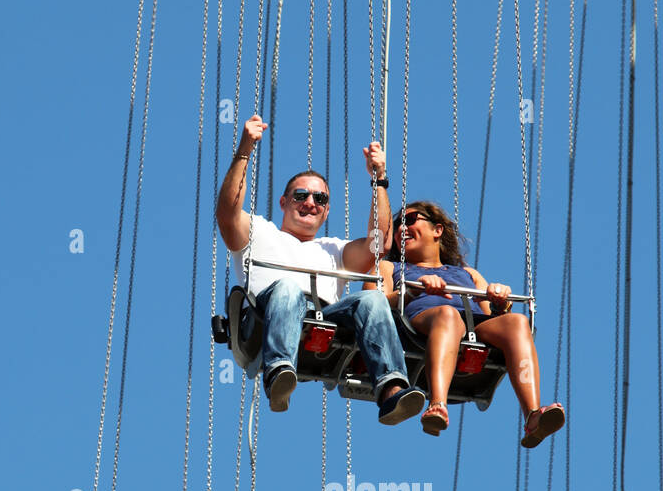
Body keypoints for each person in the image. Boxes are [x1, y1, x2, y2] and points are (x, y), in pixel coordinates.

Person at [215, 115, 425, 425]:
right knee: (287, 286)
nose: (310, 202)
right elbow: (227, 211)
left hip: (323, 320)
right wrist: (245, 149)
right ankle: (279, 373)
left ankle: (390, 388)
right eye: (301, 196)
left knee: (373, 300)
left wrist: (379, 179)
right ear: (284, 202)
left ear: (326, 211)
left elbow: (378, 245)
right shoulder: (258, 231)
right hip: (265, 318)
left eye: (320, 198)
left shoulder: (334, 249)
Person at [372, 200, 565, 444]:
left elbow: (494, 314)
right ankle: (437, 404)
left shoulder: (467, 274)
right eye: (399, 224)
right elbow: (373, 301)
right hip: (422, 322)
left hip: (473, 325)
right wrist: (413, 292)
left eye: (410, 220)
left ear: (437, 230)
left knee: (517, 321)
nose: (402, 228)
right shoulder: (390, 267)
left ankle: (533, 415)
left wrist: (499, 300)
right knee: (448, 316)